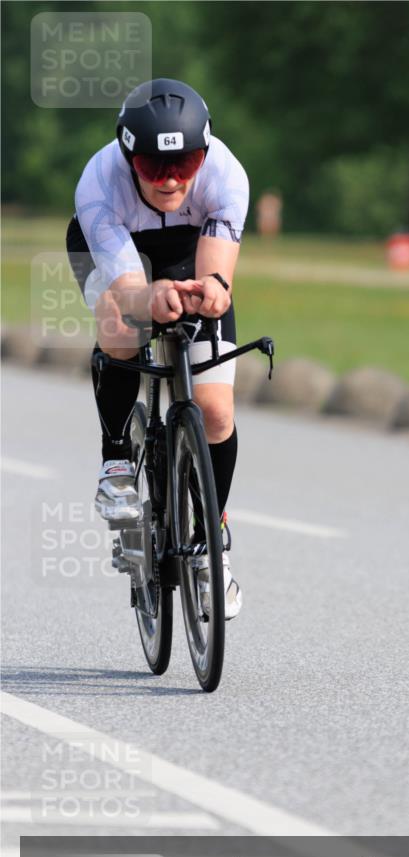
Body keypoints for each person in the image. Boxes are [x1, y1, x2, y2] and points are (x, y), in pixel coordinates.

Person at [66, 78, 248, 619]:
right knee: (123, 326)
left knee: (215, 409)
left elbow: (217, 277)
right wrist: (151, 297)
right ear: (128, 156)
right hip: (117, 249)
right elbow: (128, 291)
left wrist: (209, 292)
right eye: (152, 167)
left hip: (187, 249)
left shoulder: (226, 174)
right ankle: (115, 459)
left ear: (205, 152)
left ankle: (212, 543)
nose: (170, 180)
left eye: (185, 164)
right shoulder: (99, 183)